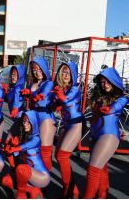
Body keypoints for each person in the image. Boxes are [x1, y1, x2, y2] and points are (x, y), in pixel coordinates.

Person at [84, 67, 129, 198]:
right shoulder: (98, 97)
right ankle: (103, 195)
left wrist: (109, 109)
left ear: (114, 82)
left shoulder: (121, 98)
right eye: (103, 81)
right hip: (95, 136)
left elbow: (117, 107)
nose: (105, 84)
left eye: (108, 81)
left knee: (92, 170)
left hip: (108, 137)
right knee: (101, 168)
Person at [52, 62, 84, 198]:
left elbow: (67, 100)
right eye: (64, 72)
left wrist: (59, 98)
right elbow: (56, 104)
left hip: (77, 124)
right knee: (58, 155)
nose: (66, 75)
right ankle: (71, 187)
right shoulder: (62, 88)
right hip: (68, 124)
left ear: (73, 75)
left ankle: (69, 189)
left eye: (69, 73)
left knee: (62, 156)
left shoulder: (75, 89)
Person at [21, 57, 56, 171]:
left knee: (45, 152)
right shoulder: (32, 84)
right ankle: (35, 179)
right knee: (35, 149)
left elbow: (43, 95)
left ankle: (45, 183)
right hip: (34, 118)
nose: (37, 72)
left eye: (39, 69)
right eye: (34, 70)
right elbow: (31, 102)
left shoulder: (49, 83)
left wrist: (31, 94)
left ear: (44, 69)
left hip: (46, 119)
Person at [5, 110, 50, 199]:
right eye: (24, 121)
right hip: (30, 174)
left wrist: (15, 148)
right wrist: (11, 150)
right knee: (6, 181)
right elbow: (17, 157)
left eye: (28, 121)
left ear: (34, 123)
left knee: (21, 169)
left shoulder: (36, 139)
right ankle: (30, 189)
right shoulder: (25, 136)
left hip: (42, 177)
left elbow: (26, 146)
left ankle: (21, 195)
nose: (25, 123)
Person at [3, 65, 26, 171]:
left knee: (9, 145)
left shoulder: (18, 87)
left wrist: (15, 109)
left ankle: (16, 169)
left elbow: (18, 101)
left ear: (20, 76)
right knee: (13, 146)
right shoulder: (14, 87)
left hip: (19, 120)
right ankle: (15, 169)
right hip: (17, 120)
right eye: (12, 74)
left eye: (16, 75)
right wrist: (5, 94)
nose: (13, 77)